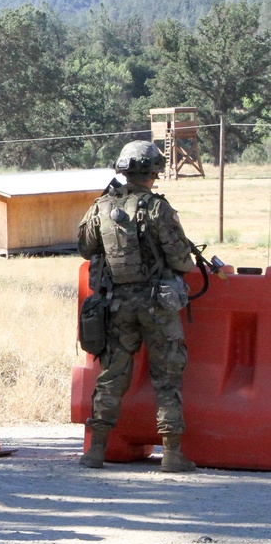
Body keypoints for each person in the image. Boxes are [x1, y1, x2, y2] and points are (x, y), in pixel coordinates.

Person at [77, 140, 197, 473]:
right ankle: (172, 454)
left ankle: (96, 450)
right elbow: (180, 260)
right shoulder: (158, 208)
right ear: (154, 171)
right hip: (158, 303)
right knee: (167, 375)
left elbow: (86, 248)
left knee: (112, 373)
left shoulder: (101, 205)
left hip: (115, 303)